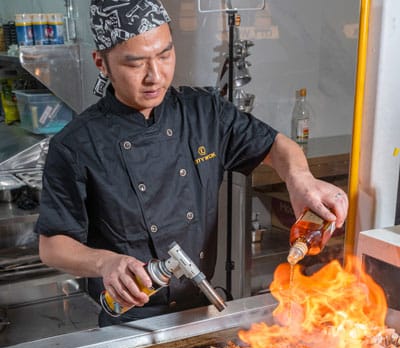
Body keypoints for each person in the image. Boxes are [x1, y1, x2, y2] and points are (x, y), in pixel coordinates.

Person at [36, 0, 348, 327]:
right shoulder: (75, 145)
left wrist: (300, 179)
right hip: (128, 320)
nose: (155, 76)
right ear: (101, 63)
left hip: (199, 311)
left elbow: (275, 144)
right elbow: (52, 246)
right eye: (135, 63)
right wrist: (105, 263)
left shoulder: (204, 112)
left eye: (165, 55)